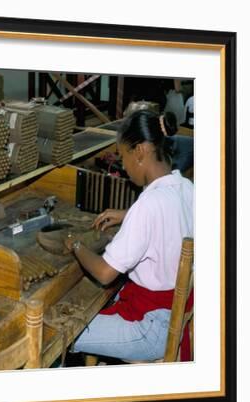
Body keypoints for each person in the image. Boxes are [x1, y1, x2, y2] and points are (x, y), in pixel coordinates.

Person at [66, 110, 194, 362]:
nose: (123, 167)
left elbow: (104, 273)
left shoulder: (147, 205)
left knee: (61, 332)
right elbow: (170, 214)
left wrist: (76, 245)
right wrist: (128, 214)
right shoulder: (186, 187)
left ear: (140, 151)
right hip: (172, 314)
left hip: (150, 328)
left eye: (123, 156)